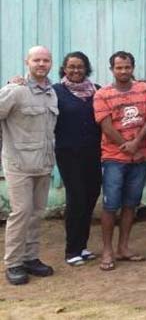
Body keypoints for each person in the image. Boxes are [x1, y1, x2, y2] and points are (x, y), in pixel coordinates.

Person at [93, 51, 146, 271]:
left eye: (127, 67)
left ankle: (123, 247)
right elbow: (106, 125)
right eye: (119, 67)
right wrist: (127, 146)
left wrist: (137, 143)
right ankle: (107, 251)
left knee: (131, 203)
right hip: (114, 157)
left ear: (133, 67)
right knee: (111, 205)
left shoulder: (145, 89)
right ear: (112, 69)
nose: (123, 71)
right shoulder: (102, 94)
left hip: (140, 155)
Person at [0, 46, 58, 285]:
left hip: (43, 164)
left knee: (36, 213)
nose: (41, 64)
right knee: (21, 213)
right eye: (37, 60)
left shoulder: (51, 93)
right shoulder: (15, 91)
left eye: (45, 60)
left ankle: (31, 257)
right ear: (27, 62)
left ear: (51, 63)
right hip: (18, 164)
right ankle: (13, 263)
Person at [53, 51, 101, 266]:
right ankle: (71, 250)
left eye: (80, 66)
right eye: (71, 66)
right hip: (68, 153)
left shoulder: (97, 91)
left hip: (93, 152)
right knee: (77, 198)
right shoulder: (54, 92)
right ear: (64, 68)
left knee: (91, 195)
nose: (75, 70)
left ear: (86, 68)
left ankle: (82, 246)